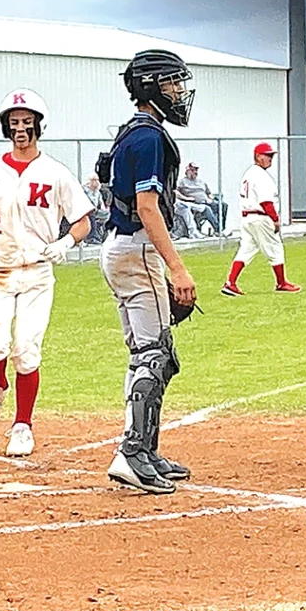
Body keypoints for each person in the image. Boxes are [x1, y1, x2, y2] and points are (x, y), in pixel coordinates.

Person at [0, 88, 93, 457]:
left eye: (27, 123)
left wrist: (65, 243)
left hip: (36, 272)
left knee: (26, 351)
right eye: (14, 123)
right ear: (5, 127)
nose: (20, 129)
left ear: (38, 127)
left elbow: (83, 221)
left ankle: (22, 425)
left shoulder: (55, 172)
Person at [96, 49, 198, 495]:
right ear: (153, 87)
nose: (179, 92)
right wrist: (177, 268)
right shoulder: (149, 137)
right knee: (155, 355)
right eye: (172, 84)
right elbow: (146, 206)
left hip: (121, 247)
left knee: (149, 353)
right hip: (136, 248)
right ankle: (133, 453)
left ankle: (145, 449)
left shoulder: (132, 133)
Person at [221, 143, 301, 297]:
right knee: (275, 248)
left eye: (271, 155)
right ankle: (281, 282)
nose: (270, 158)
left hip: (247, 217)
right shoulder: (261, 176)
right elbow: (266, 202)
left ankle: (230, 283)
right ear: (258, 156)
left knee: (246, 250)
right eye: (267, 155)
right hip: (261, 217)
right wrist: (275, 220)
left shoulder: (249, 173)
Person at [176, 162, 224, 235]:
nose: (195, 172)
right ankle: (218, 230)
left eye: (196, 170)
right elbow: (175, 192)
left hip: (206, 201)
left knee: (223, 205)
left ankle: (222, 228)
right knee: (207, 209)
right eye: (192, 170)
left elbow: (209, 193)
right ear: (187, 171)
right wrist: (186, 198)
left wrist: (210, 199)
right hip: (195, 203)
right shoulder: (182, 182)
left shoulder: (201, 182)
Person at [82, 172, 108, 244]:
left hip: (96, 211)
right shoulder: (84, 190)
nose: (97, 182)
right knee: (91, 215)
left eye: (97, 180)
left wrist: (105, 210)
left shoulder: (98, 192)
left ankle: (105, 237)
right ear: (90, 181)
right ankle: (92, 237)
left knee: (108, 215)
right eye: (94, 180)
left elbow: (101, 204)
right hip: (87, 212)